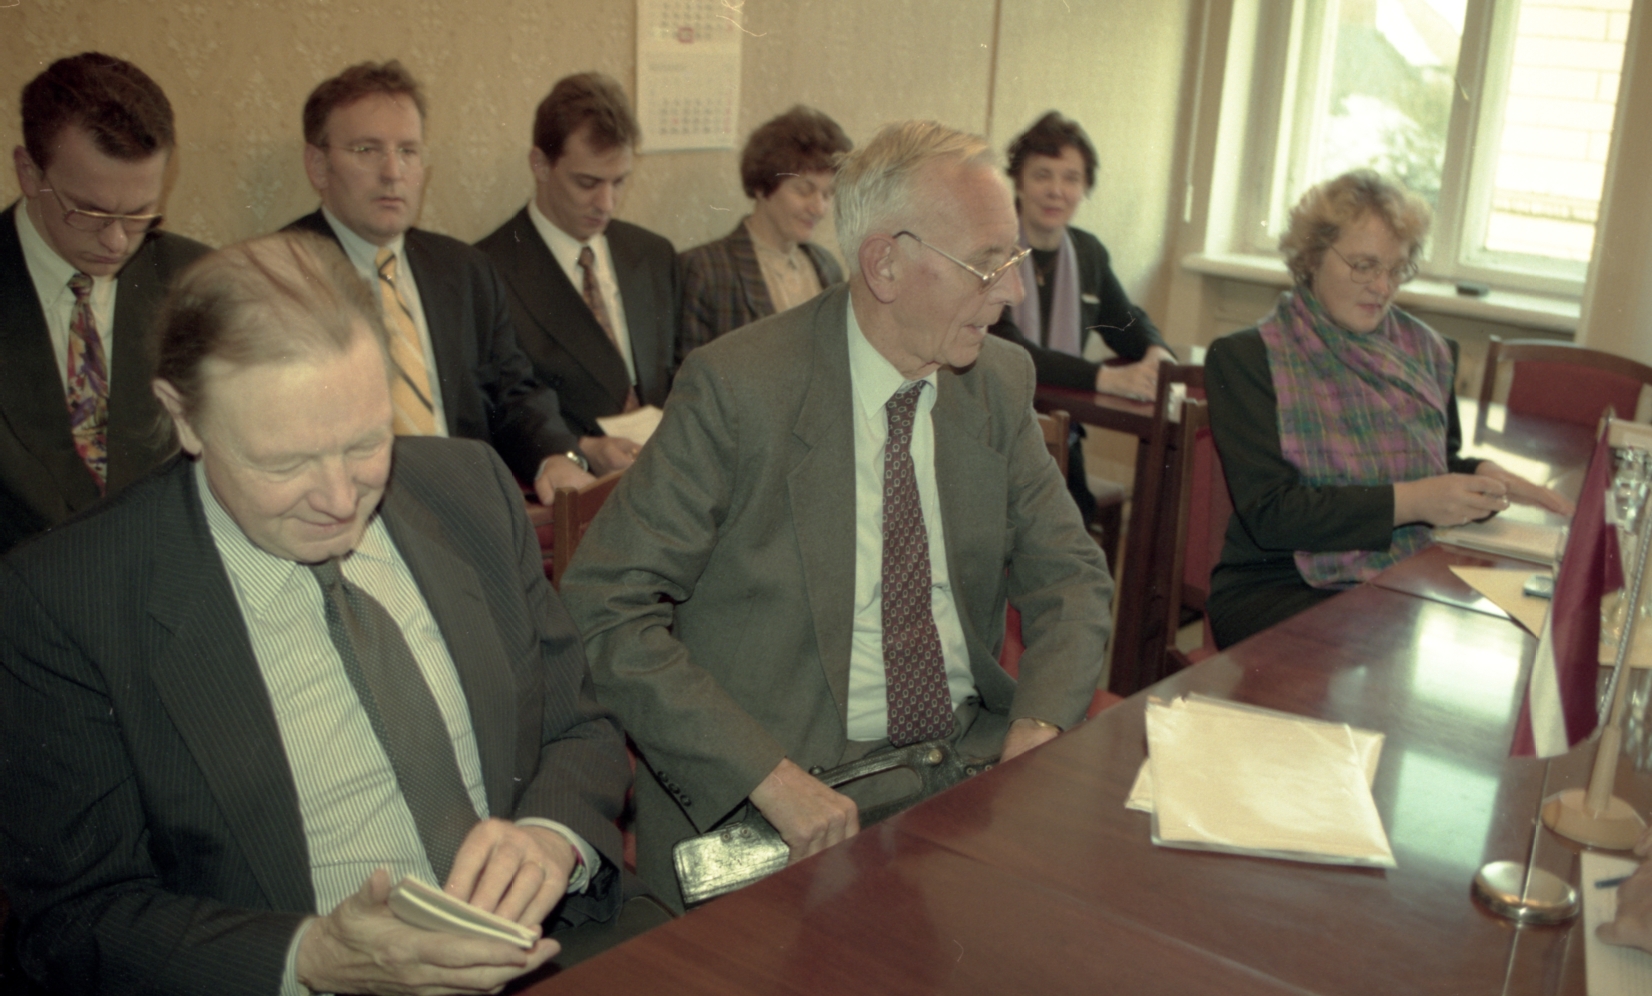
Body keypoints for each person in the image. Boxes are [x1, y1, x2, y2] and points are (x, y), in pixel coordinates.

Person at [0, 231, 652, 995]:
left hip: (551, 949)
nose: (342, 500)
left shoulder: (469, 490)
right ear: (185, 418)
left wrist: (548, 837)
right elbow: (75, 918)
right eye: (286, 463)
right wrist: (310, 957)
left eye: (366, 443)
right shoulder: (66, 598)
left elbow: (579, 726)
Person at [560, 120, 1114, 910]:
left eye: (1015, 259)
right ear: (884, 264)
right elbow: (603, 605)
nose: (1013, 292)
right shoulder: (740, 390)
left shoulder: (995, 380)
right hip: (789, 798)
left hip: (963, 768)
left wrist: (1037, 734)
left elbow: (1072, 575)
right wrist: (765, 777)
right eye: (987, 264)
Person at [1204, 170, 1573, 648]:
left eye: (1396, 269)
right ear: (1312, 258)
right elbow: (1272, 514)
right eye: (1364, 265)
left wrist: (1485, 476)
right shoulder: (1248, 358)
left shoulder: (1429, 351)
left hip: (1400, 570)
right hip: (1279, 586)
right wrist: (1414, 502)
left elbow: (1434, 466)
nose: (1381, 286)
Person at [285, 60, 592, 499]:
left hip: (464, 503)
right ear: (318, 165)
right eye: (367, 150)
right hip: (347, 509)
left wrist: (556, 457)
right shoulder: (278, 278)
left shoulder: (465, 270)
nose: (393, 172)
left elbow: (514, 393)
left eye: (408, 151)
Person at [1, 52, 210, 554]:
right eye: (89, 212)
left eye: (140, 215)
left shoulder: (199, 282)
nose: (116, 242)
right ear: (28, 172)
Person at [477, 72, 680, 478]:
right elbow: (496, 408)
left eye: (619, 182)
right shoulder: (487, 269)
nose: (606, 203)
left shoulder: (653, 254)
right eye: (587, 183)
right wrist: (579, 448)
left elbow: (680, 375)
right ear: (540, 164)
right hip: (572, 486)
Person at [988, 111, 1175, 524]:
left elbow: (1127, 322)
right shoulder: (991, 246)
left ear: (1085, 187)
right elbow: (1009, 349)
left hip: (1062, 438)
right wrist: (1104, 379)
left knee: (1073, 528)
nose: (1056, 190)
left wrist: (1156, 351)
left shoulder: (1088, 253)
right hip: (991, 435)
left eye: (1071, 178)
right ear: (1019, 181)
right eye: (1042, 175)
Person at [677, 105, 852, 358]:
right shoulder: (704, 269)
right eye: (804, 190)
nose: (819, 208)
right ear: (762, 186)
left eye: (828, 194)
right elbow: (690, 374)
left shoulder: (826, 265)